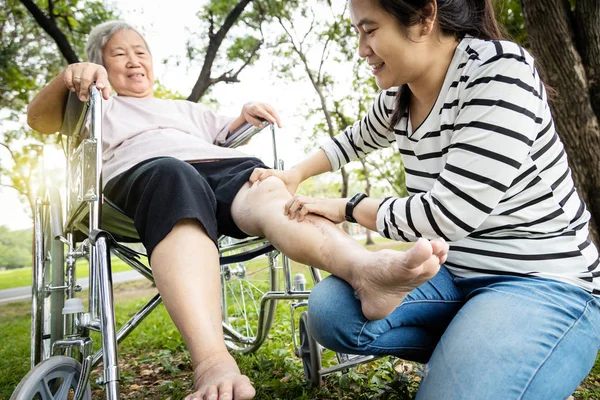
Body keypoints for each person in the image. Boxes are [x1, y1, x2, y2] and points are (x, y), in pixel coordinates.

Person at [26, 20, 449, 400]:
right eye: (119, 54)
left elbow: (228, 134)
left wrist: (245, 116)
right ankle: (212, 361)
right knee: (177, 178)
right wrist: (70, 78)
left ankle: (365, 272)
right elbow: (39, 120)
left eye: (141, 52)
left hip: (223, 171)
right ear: (101, 65)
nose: (134, 61)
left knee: (266, 185)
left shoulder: (186, 111)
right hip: (146, 181)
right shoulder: (96, 105)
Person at [249, 0, 600, 398]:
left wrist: (347, 206)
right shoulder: (401, 96)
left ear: (423, 18)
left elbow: (450, 214)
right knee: (333, 311)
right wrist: (294, 174)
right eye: (357, 33)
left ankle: (512, 353)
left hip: (542, 283)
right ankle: (479, 349)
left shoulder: (500, 70)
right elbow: (352, 140)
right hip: (455, 276)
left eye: (370, 30)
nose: (362, 49)